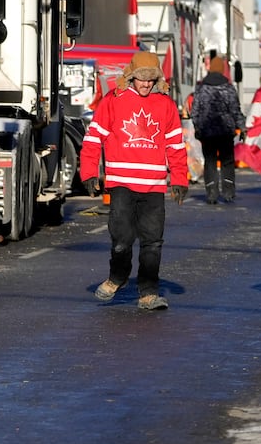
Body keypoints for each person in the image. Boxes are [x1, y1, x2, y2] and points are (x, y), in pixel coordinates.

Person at [79, 50, 189, 311]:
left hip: (153, 187)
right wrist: (89, 172)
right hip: (121, 184)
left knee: (152, 241)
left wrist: (180, 179)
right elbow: (94, 139)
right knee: (121, 240)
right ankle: (117, 277)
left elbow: (175, 145)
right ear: (131, 76)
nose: (146, 85)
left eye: (151, 80)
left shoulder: (165, 105)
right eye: (141, 79)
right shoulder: (113, 101)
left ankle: (148, 292)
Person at [191, 56, 246, 204]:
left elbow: (194, 111)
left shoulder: (201, 88)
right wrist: (242, 127)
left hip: (207, 133)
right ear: (222, 69)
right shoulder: (228, 88)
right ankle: (228, 192)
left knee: (210, 162)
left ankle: (211, 193)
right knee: (227, 162)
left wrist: (198, 127)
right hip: (225, 132)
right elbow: (235, 111)